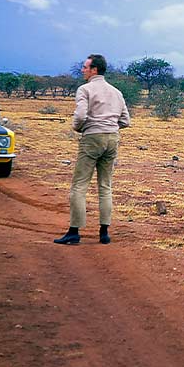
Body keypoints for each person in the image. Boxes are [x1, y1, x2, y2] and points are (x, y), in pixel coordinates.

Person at [54, 54, 131, 245]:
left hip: (92, 138)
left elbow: (80, 116)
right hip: (112, 139)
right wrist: (110, 126)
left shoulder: (85, 89)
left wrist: (80, 128)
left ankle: (74, 231)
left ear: (94, 69)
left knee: (79, 185)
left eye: (85, 67)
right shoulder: (116, 92)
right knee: (105, 186)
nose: (82, 70)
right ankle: (104, 233)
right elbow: (125, 120)